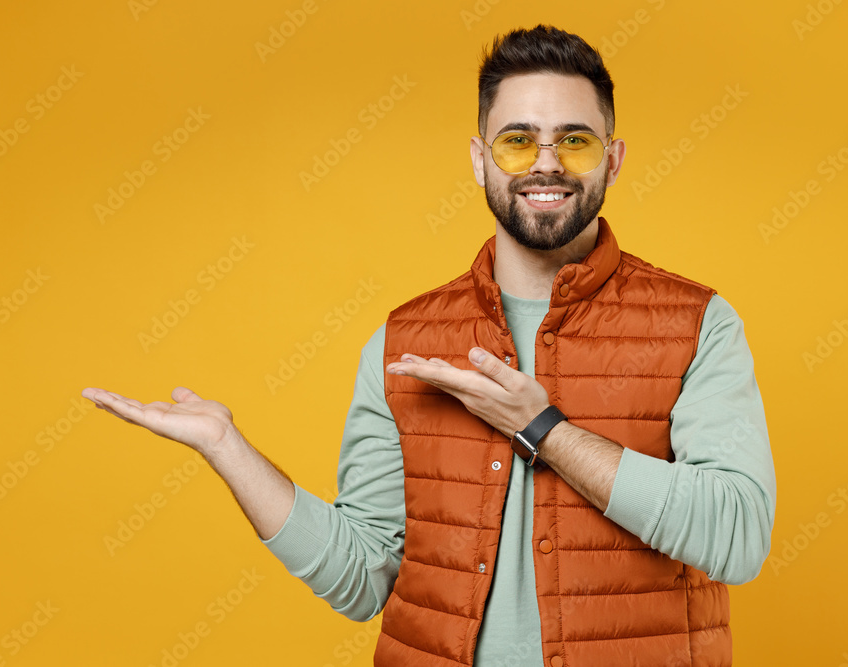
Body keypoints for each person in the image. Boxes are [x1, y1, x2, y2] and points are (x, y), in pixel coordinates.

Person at [83, 25, 776, 667]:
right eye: (516, 141)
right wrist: (227, 448)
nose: (546, 164)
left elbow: (738, 536)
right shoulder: (403, 341)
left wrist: (545, 429)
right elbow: (363, 577)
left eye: (574, 141)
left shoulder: (697, 324)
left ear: (613, 160)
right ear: (479, 160)